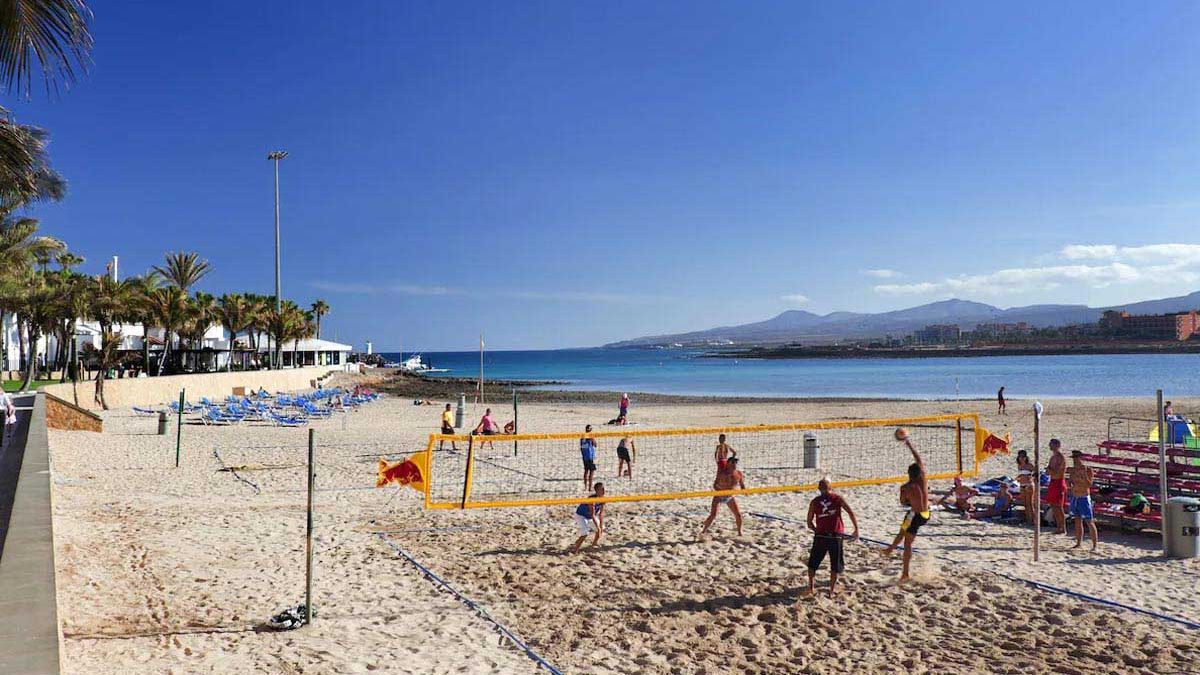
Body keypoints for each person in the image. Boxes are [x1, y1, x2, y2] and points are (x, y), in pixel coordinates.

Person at [884, 429, 928, 583]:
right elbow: (919, 459)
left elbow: (903, 502)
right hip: (926, 514)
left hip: (915, 515)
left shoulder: (906, 487)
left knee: (907, 542)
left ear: (909, 474)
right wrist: (909, 444)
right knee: (903, 529)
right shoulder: (923, 479)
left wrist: (906, 499)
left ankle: (905, 573)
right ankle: (890, 549)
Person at [805, 478, 859, 598]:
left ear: (819, 489)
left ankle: (811, 587)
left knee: (813, 563)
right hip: (835, 535)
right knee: (835, 564)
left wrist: (817, 530)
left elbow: (809, 523)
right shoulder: (837, 498)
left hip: (821, 535)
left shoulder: (814, 502)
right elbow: (850, 512)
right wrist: (856, 529)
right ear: (831, 487)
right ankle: (831, 590)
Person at [700, 456, 745, 538]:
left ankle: (739, 532)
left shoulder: (739, 474)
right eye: (733, 462)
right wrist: (720, 490)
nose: (734, 464)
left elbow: (742, 486)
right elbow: (715, 485)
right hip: (719, 496)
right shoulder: (722, 473)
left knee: (738, 515)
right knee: (713, 515)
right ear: (728, 464)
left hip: (730, 497)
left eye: (736, 463)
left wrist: (745, 491)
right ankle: (703, 530)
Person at [1068, 450, 1098, 551]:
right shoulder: (1073, 470)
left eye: (1077, 458)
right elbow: (1070, 482)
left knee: (1089, 521)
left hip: (1084, 497)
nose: (1075, 460)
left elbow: (1089, 484)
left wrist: (1084, 475)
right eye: (1074, 458)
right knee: (1077, 520)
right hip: (1075, 496)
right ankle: (1078, 542)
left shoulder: (1087, 469)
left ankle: (1095, 545)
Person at [571, 483, 605, 553]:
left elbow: (601, 513)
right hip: (580, 515)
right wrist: (598, 528)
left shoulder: (603, 499)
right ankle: (575, 549)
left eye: (604, 489)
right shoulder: (591, 499)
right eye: (601, 489)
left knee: (601, 528)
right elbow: (592, 514)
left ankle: (594, 543)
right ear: (597, 491)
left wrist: (600, 526)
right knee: (585, 532)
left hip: (589, 516)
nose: (604, 490)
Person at [1046, 439, 1068, 534]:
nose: (1049, 446)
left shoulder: (1060, 457)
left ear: (1057, 445)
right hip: (1053, 481)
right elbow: (1048, 471)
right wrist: (1050, 471)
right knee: (1053, 505)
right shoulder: (1052, 457)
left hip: (1059, 482)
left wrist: (1051, 471)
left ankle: (1063, 527)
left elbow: (1057, 472)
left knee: (1059, 506)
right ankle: (1058, 526)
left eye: (1051, 444)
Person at [1016, 450, 1036, 525]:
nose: (1021, 458)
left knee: (1030, 504)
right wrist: (1019, 478)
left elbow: (1036, 473)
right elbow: (1021, 475)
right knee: (1025, 504)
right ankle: (1028, 520)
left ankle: (1034, 520)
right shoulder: (1019, 466)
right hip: (1022, 485)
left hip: (1029, 484)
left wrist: (1031, 477)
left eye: (1023, 457)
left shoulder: (1029, 465)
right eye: (1020, 457)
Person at [580, 425, 598, 490]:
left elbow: (581, 447)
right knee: (591, 472)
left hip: (584, 456)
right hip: (589, 456)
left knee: (586, 471)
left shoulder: (582, 437)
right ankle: (590, 488)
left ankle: (585, 487)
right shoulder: (590, 436)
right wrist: (592, 439)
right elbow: (595, 445)